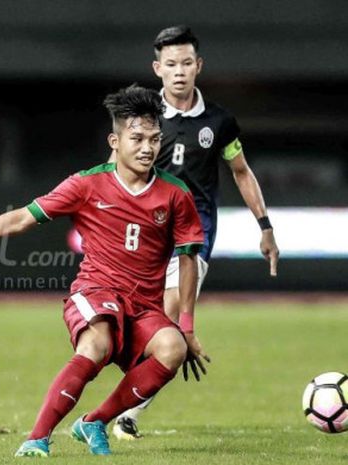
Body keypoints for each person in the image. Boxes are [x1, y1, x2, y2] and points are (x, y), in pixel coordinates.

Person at [0, 84, 209, 457]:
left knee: (172, 348)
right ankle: (37, 439)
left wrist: (187, 326)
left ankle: (93, 421)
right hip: (96, 292)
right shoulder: (86, 184)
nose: (147, 147)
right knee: (96, 343)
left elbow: (187, 259)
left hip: (144, 304)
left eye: (154, 139)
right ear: (114, 141)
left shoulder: (175, 193)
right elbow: (21, 218)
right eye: (137, 138)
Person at [112, 25, 281, 441]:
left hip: (194, 233)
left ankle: (128, 412)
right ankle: (142, 376)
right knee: (137, 327)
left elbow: (240, 172)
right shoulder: (144, 118)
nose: (180, 71)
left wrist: (265, 226)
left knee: (169, 313)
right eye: (171, 64)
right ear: (158, 69)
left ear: (198, 66)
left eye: (186, 62)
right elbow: (118, 170)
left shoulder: (219, 122)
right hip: (147, 231)